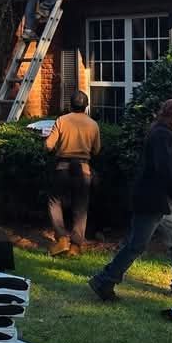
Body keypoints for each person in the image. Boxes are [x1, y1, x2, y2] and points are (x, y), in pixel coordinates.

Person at [89, 98, 172, 302]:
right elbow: (165, 172)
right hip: (153, 201)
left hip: (160, 201)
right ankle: (104, 280)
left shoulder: (161, 132)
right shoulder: (163, 136)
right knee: (136, 245)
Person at [44, 90, 101, 256]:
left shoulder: (62, 120)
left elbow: (48, 146)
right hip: (84, 169)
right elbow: (96, 150)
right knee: (81, 207)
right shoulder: (93, 124)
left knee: (54, 202)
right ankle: (76, 246)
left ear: (70, 105)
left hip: (62, 167)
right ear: (86, 106)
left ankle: (61, 238)